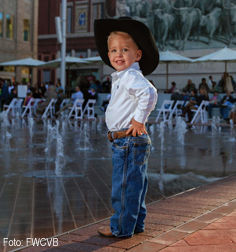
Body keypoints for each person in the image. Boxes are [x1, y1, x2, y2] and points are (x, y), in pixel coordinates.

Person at [94, 17, 158, 238]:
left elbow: (149, 93)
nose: (118, 54)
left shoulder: (130, 75)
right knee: (134, 186)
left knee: (123, 187)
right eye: (113, 50)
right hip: (129, 141)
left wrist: (139, 120)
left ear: (137, 55)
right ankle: (135, 224)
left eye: (124, 49)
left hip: (127, 141)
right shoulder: (124, 76)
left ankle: (120, 228)